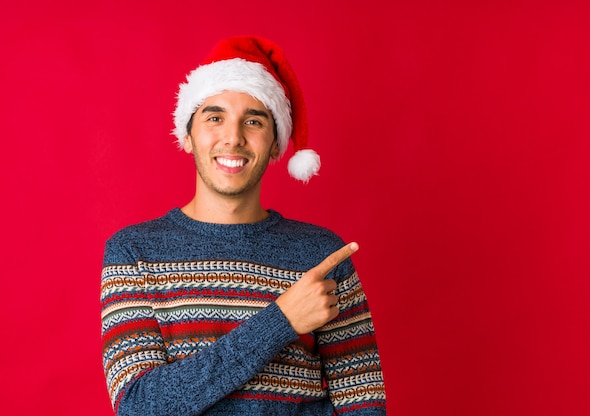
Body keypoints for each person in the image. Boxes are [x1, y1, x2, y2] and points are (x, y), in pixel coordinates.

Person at [100, 36, 386, 416]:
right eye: (214, 117)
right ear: (187, 136)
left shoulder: (322, 255)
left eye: (253, 121)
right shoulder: (134, 252)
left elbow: (363, 403)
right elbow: (139, 406)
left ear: (274, 145)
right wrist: (282, 319)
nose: (233, 137)